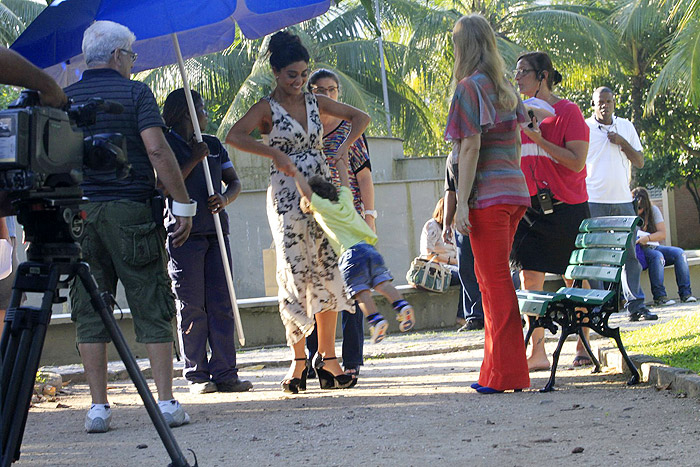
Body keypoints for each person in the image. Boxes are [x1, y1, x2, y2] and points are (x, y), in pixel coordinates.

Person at [225, 31, 372, 393]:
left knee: (326, 266)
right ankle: (298, 360)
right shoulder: (265, 108)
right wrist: (275, 154)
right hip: (286, 192)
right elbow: (233, 135)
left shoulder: (314, 102)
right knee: (293, 271)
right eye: (292, 74)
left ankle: (329, 358)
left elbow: (361, 117)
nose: (299, 80)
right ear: (275, 72)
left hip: (321, 188)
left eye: (304, 74)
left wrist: (340, 150)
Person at [65, 21, 194, 433]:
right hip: (131, 209)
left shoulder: (64, 98)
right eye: (132, 56)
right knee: (150, 297)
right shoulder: (136, 93)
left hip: (80, 215)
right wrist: (183, 203)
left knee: (88, 306)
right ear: (119, 55)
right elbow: (156, 148)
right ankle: (166, 403)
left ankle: (98, 408)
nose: (132, 64)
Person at [445, 14, 531, 393]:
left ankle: (510, 375)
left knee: (494, 284)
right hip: (514, 193)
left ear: (462, 47)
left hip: (489, 199)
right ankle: (494, 373)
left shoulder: (469, 88)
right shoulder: (505, 87)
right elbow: (516, 140)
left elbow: (470, 146)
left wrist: (461, 203)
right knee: (490, 281)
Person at [162, 88, 252, 394]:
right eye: (200, 108)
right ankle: (197, 375)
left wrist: (224, 199)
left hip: (216, 232)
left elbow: (234, 182)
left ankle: (226, 372)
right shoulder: (166, 145)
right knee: (191, 306)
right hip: (184, 235)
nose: (205, 114)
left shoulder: (212, 144)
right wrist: (192, 159)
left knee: (221, 303)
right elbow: (162, 186)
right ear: (186, 113)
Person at [510, 51, 597, 371]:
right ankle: (538, 352)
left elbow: (576, 161)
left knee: (575, 277)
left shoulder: (568, 111)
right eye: (515, 72)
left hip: (568, 208)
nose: (517, 77)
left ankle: (583, 343)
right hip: (530, 209)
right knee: (529, 278)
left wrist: (537, 136)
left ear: (543, 75)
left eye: (523, 72)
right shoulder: (516, 115)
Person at [292, 156, 415, 346]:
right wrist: (341, 162)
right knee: (382, 283)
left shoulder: (322, 209)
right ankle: (402, 305)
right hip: (369, 249)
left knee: (361, 292)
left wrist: (295, 173)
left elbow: (307, 194)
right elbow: (345, 181)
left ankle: (376, 320)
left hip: (350, 255)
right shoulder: (345, 200)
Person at [304, 68, 376, 378]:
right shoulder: (302, 130)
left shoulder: (351, 131)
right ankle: (312, 358)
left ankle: (351, 361)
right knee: (313, 288)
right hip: (313, 221)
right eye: (319, 89)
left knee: (351, 287)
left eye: (331, 90)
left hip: (347, 220)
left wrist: (369, 218)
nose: (325, 94)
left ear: (338, 94)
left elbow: (365, 177)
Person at [585, 87, 656, 326]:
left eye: (609, 101)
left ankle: (635, 305)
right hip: (594, 201)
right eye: (600, 102)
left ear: (615, 103)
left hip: (623, 201)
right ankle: (596, 308)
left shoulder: (626, 126)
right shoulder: (585, 128)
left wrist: (622, 142)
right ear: (593, 104)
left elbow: (640, 161)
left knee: (629, 256)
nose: (605, 105)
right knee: (593, 258)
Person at [443, 146, 484, 330]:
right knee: (466, 268)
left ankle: (491, 312)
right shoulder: (453, 157)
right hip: (463, 218)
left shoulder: (484, 149)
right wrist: (446, 224)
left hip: (486, 212)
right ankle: (474, 316)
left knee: (489, 267)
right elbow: (450, 192)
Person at [633, 187, 697, 305]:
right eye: (637, 207)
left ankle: (686, 294)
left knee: (680, 253)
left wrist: (647, 238)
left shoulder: (653, 210)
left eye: (641, 208)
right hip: (640, 251)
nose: (638, 210)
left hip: (652, 245)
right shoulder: (629, 213)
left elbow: (662, 234)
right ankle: (660, 296)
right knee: (657, 256)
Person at [420, 198, 462, 322]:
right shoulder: (432, 225)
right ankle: (462, 316)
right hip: (437, 266)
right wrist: (451, 261)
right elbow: (428, 253)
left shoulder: (455, 227)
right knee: (464, 275)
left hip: (453, 265)